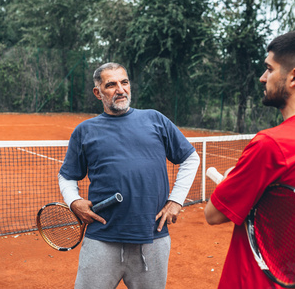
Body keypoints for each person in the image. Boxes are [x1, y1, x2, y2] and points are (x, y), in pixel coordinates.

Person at [204, 29, 295, 289]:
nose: (262, 77)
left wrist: (229, 182)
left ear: (293, 77)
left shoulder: (272, 144)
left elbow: (213, 214)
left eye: (269, 69)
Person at [58, 62, 200, 289]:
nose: (120, 89)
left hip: (152, 237)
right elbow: (67, 175)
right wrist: (74, 201)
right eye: (111, 85)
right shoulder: (84, 131)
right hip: (102, 238)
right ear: (98, 92)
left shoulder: (155, 119)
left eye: (124, 82)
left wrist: (175, 200)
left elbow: (191, 158)